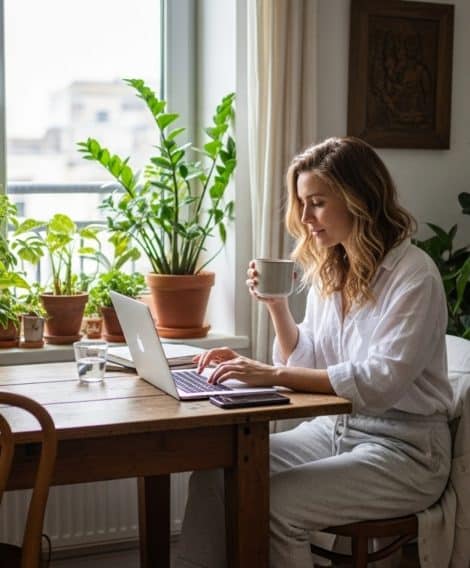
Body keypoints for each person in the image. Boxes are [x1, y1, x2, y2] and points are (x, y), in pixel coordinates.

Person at [175, 136, 453, 568]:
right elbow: (310, 361)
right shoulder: (334, 267)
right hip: (338, 431)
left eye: (317, 203)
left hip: (405, 452)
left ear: (359, 199)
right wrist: (277, 306)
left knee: (277, 505)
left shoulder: (414, 276)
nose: (305, 218)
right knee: (215, 474)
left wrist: (270, 374)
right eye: (302, 204)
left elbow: (378, 383)